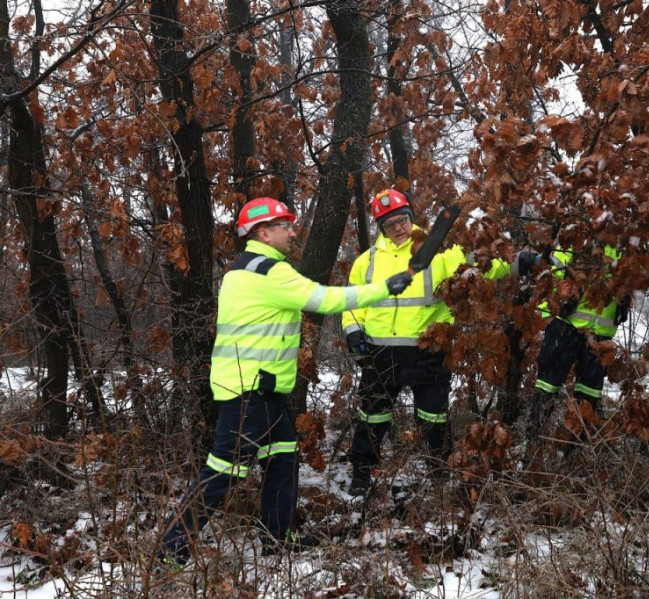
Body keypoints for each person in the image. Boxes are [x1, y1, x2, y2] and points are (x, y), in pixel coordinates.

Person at [158, 197, 413, 568]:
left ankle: (276, 537)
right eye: (285, 226)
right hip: (249, 392)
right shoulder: (269, 271)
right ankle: (170, 548)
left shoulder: (241, 269)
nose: (293, 233)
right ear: (264, 233)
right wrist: (385, 287)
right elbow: (324, 299)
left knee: (282, 457)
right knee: (224, 471)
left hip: (262, 390)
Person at [342, 189, 509, 497]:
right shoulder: (367, 261)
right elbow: (353, 302)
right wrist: (353, 330)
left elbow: (488, 266)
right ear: (381, 227)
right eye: (390, 223)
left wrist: (510, 258)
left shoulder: (438, 251)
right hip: (380, 352)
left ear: (411, 218)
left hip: (428, 350)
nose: (398, 228)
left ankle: (439, 471)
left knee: (434, 417)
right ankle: (362, 471)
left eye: (402, 220)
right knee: (372, 416)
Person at [519, 245, 629, 449]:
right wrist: (548, 314)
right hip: (566, 326)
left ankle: (573, 452)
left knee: (588, 397)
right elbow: (553, 273)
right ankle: (532, 446)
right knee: (547, 387)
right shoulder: (581, 237)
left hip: (600, 338)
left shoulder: (626, 246)